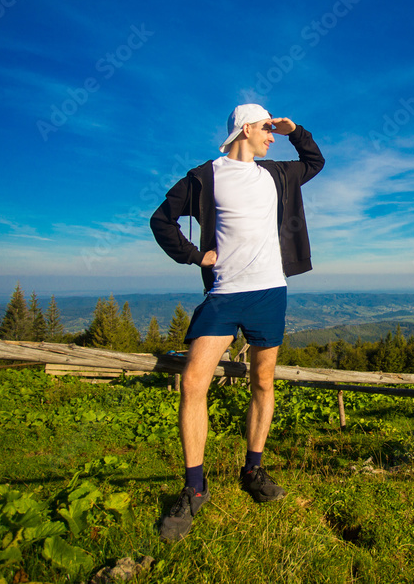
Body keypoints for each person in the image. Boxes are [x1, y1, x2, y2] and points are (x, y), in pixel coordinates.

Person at [149, 103, 324, 542]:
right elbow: (161, 219)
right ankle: (194, 488)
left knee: (263, 383)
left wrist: (294, 129)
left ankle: (253, 469)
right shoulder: (205, 176)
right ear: (246, 128)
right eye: (267, 127)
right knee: (193, 382)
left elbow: (314, 162)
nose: (271, 134)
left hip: (270, 291)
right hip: (224, 295)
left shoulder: (276, 174)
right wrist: (194, 254)